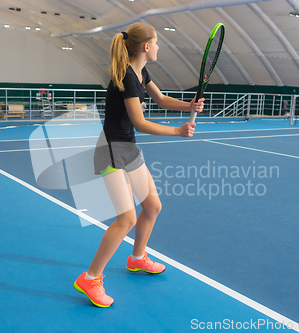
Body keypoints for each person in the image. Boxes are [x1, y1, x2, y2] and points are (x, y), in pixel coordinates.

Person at [73, 22, 205, 308]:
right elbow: (140, 122)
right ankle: (91, 277)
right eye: (156, 42)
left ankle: (137, 258)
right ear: (146, 46)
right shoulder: (126, 77)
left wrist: (189, 105)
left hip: (128, 148)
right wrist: (177, 131)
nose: (158, 47)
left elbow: (160, 99)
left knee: (153, 206)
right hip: (111, 150)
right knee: (126, 219)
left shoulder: (141, 72)